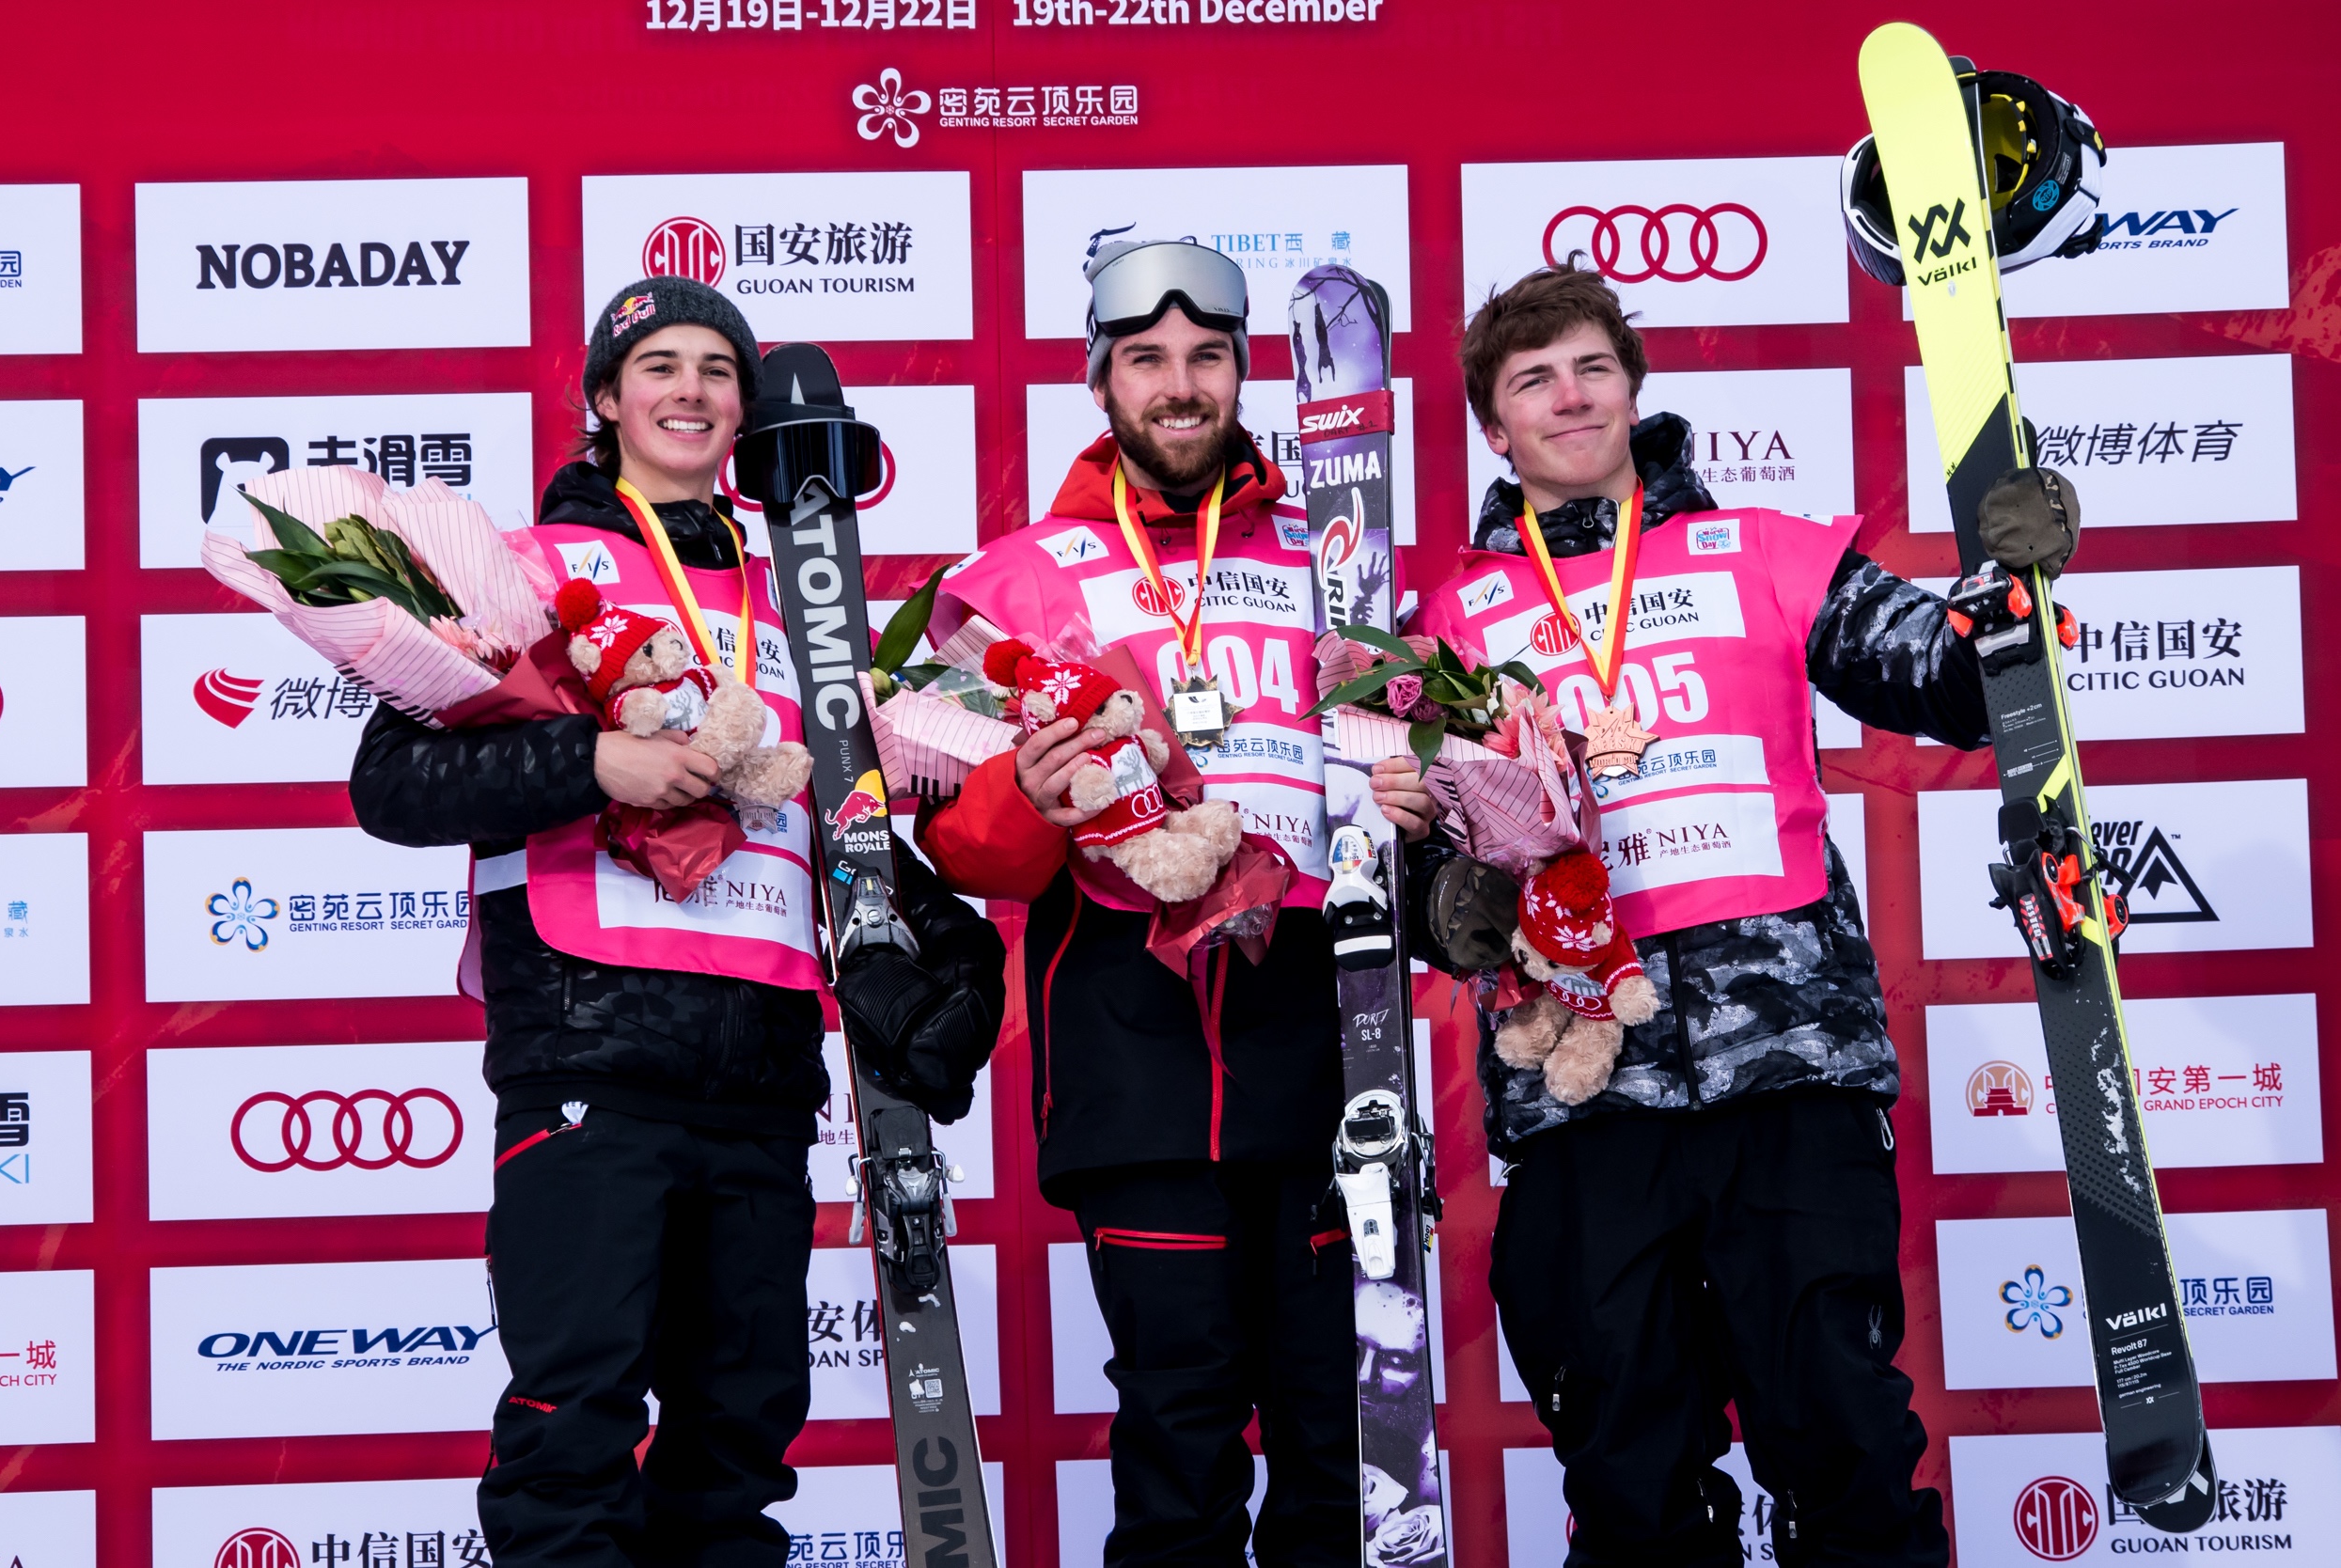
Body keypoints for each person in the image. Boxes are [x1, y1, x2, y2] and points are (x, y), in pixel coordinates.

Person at [1406, 262, 2080, 1567]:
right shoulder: (1448, 626)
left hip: (1790, 1073)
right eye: (1533, 380)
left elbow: (1942, 677)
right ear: (1495, 428)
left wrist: (2013, 590)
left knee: (1846, 1447)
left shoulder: (1763, 549)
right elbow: (1436, 898)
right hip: (1586, 1101)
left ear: (1635, 387)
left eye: (1592, 366)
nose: (1571, 396)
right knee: (1630, 1475)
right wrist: (1449, 879)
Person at [349, 276, 1005, 1568]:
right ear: (606, 399)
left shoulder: (796, 607)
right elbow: (394, 785)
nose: (692, 390)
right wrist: (590, 767)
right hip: (591, 1059)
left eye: (718, 370)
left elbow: (833, 821)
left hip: (762, 1075)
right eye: (660, 366)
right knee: (573, 1426)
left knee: (739, 1444)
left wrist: (940, 942)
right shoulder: (525, 570)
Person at [914, 239, 1438, 1566]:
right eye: (1148, 359)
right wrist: (1031, 794)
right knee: (1178, 1442)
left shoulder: (1346, 562)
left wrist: (1432, 780)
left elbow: (1423, 782)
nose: (1180, 384)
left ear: (1244, 373)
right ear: (1102, 384)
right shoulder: (1011, 584)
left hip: (1324, 1051)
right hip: (1133, 1059)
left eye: (1207, 356)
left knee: (1342, 1451)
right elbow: (971, 855)